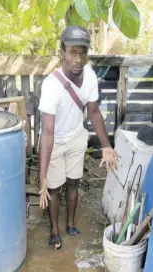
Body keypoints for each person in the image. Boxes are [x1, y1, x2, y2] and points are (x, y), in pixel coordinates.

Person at [38, 25, 120, 250]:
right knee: (54, 189)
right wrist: (43, 176)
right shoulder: (51, 86)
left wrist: (106, 146)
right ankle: (55, 231)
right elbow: (47, 133)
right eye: (73, 52)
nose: (78, 58)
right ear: (62, 52)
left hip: (76, 138)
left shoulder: (91, 76)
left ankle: (70, 224)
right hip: (55, 142)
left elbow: (93, 112)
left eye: (82, 52)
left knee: (74, 183)